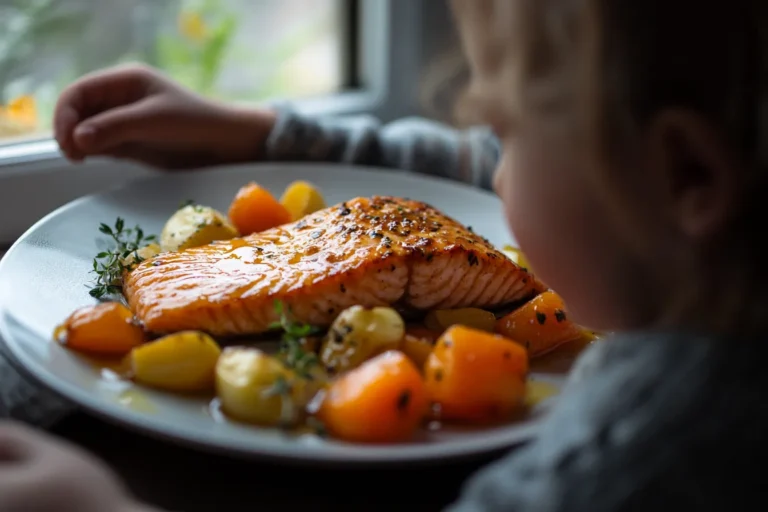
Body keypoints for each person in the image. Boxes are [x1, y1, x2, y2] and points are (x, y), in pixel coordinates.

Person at [2, 0, 768, 509]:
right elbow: (464, 168)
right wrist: (258, 136)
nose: (492, 175)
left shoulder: (632, 463)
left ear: (688, 177)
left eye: (507, 133)